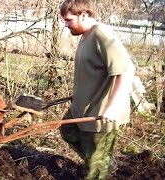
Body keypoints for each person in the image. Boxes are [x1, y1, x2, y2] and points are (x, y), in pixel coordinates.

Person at [58, 0, 135, 179]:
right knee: (68, 131)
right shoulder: (86, 35)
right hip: (83, 106)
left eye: (69, 20)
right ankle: (103, 161)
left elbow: (126, 70)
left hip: (100, 112)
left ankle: (99, 166)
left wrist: (113, 107)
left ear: (83, 15)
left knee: (95, 170)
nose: (66, 24)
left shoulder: (102, 34)